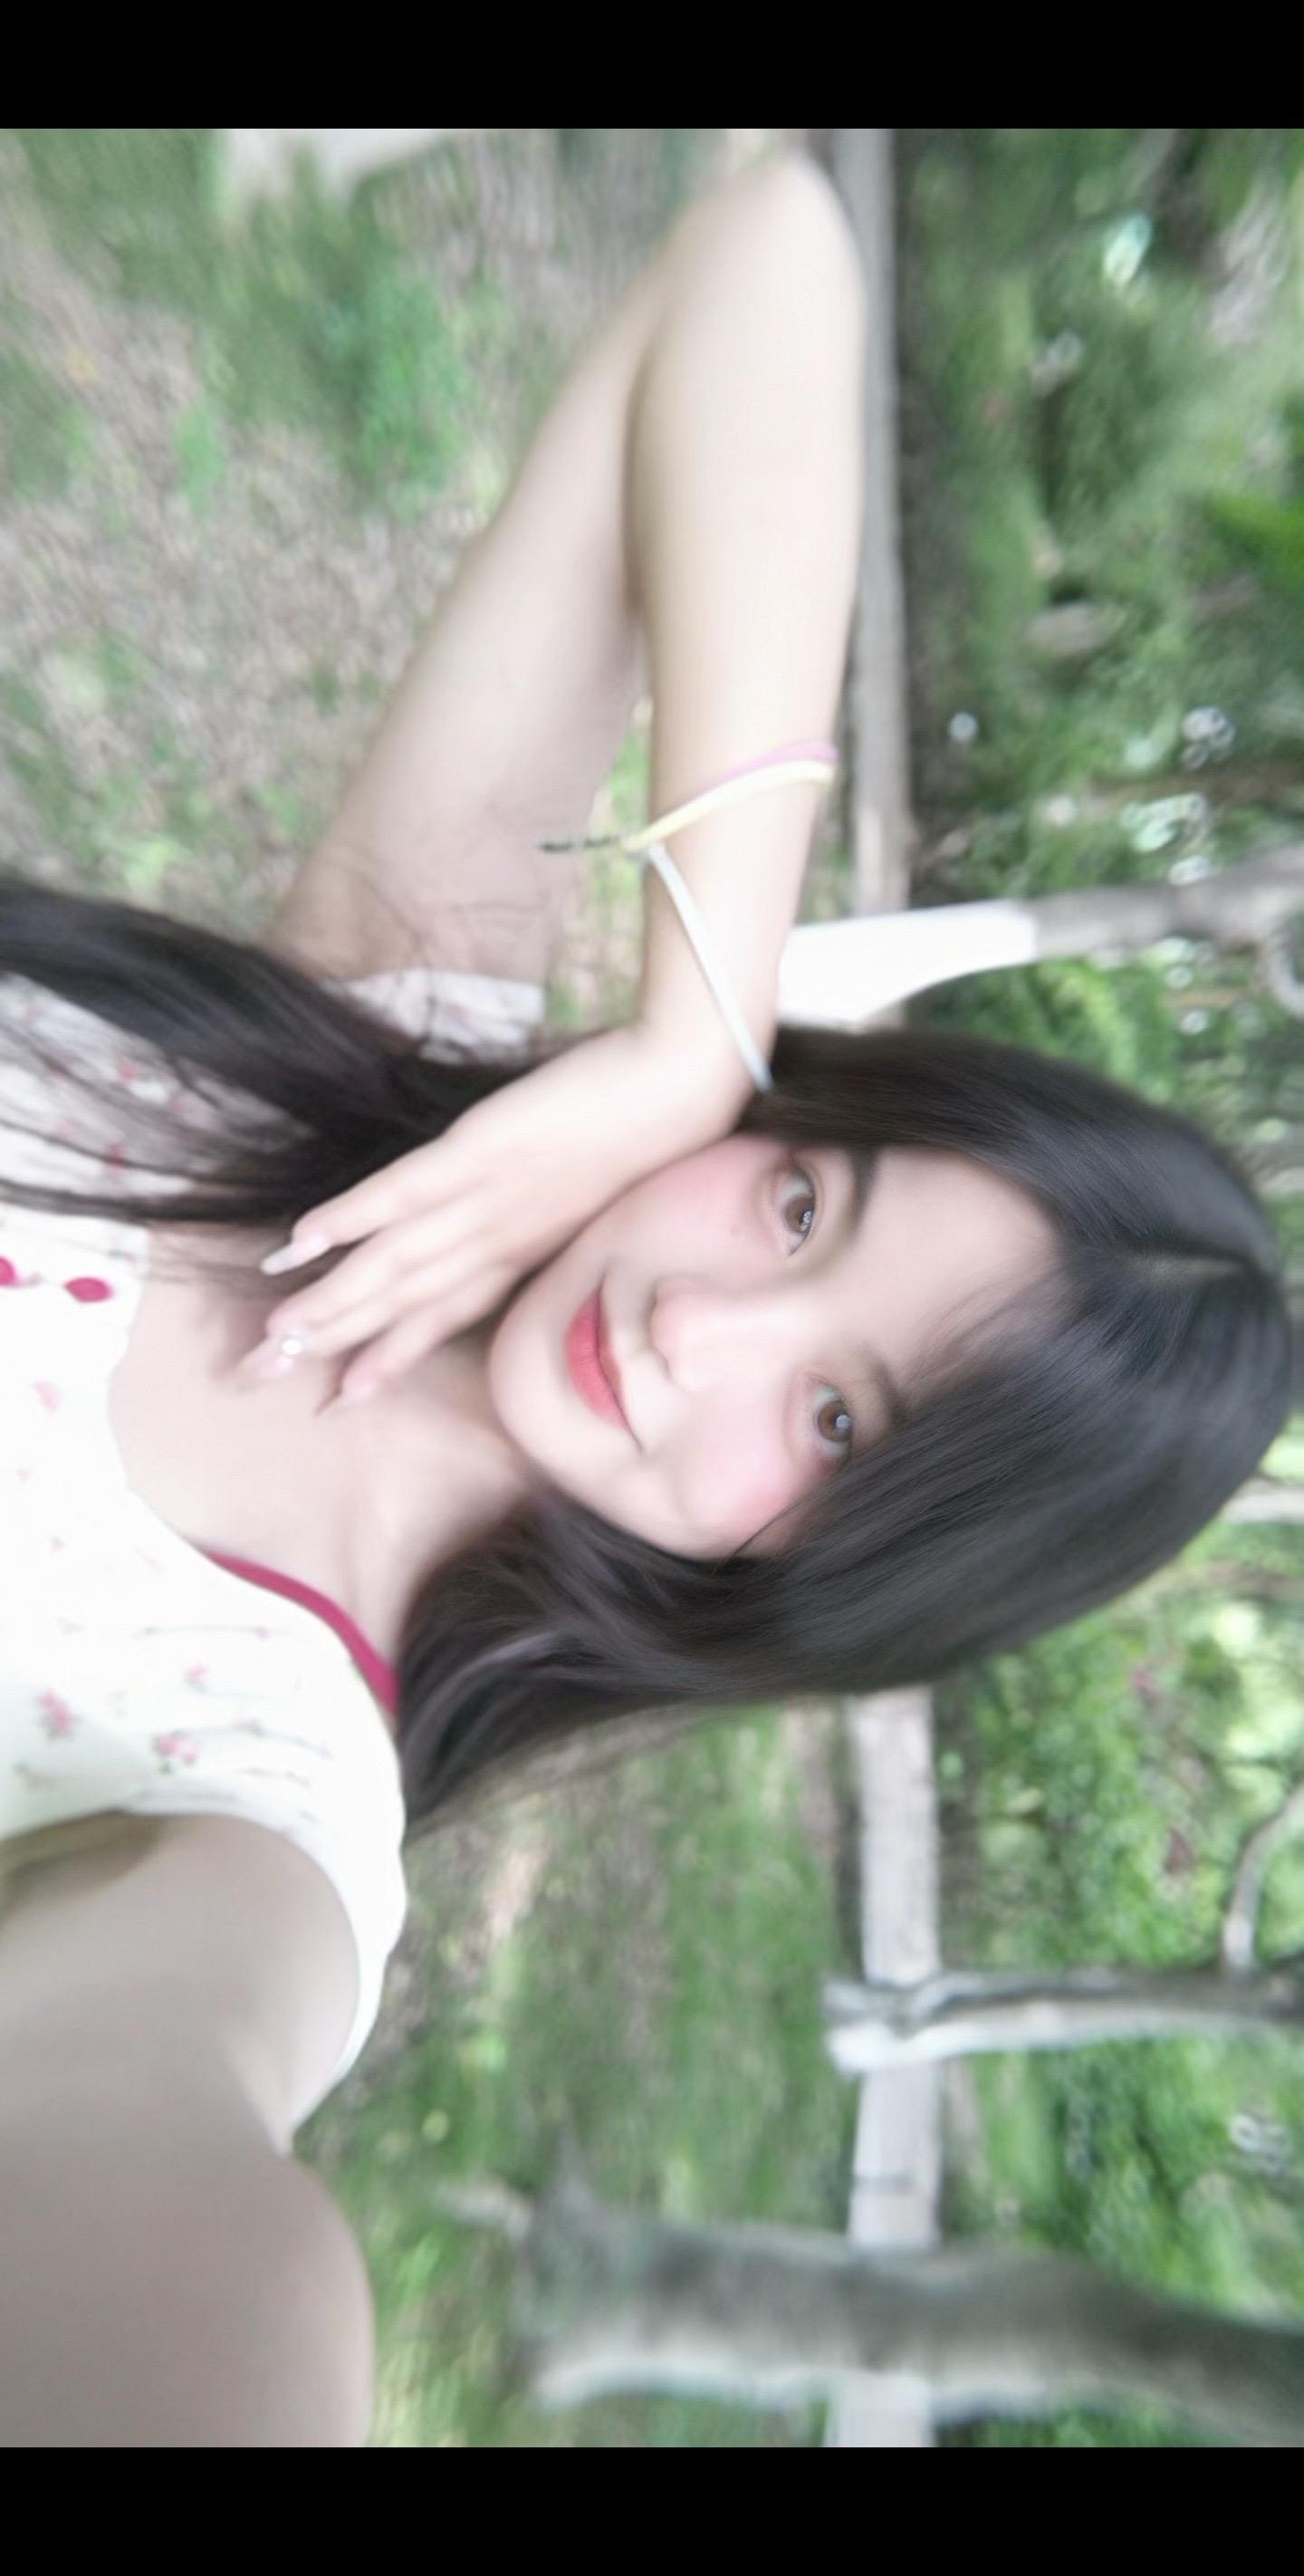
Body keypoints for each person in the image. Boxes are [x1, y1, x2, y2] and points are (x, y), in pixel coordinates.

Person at [0, 147, 1290, 2446]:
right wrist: (692, 1041)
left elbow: (149, 2134)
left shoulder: (273, 1802)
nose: (705, 1333)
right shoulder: (379, 1041)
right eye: (796, 1206)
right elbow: (763, 246)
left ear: (848, 1570)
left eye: (840, 1423)